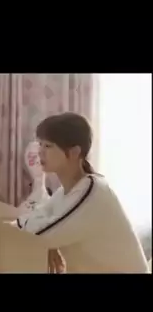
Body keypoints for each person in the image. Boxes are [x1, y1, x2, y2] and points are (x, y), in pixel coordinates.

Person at [14, 112, 149, 273]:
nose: (40, 152)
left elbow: (37, 234)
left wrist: (48, 239)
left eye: (48, 146)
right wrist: (49, 242)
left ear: (74, 152)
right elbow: (29, 227)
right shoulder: (64, 194)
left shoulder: (92, 191)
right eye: (40, 144)